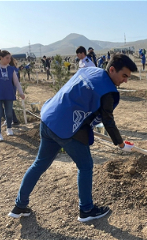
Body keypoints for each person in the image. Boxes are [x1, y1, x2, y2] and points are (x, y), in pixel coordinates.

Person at [8, 54, 138, 222]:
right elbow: (108, 121)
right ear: (112, 69)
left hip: (49, 118)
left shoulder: (90, 70)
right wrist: (121, 144)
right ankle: (86, 210)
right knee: (85, 166)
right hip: (66, 128)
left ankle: (19, 206)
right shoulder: (108, 91)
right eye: (124, 76)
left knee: (39, 163)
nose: (125, 80)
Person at [0, 50, 25, 142]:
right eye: (7, 58)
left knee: (9, 113)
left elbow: (16, 82)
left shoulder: (11, 69)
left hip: (9, 93)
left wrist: (21, 92)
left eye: (10, 58)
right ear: (1, 58)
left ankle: (9, 128)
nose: (9, 60)